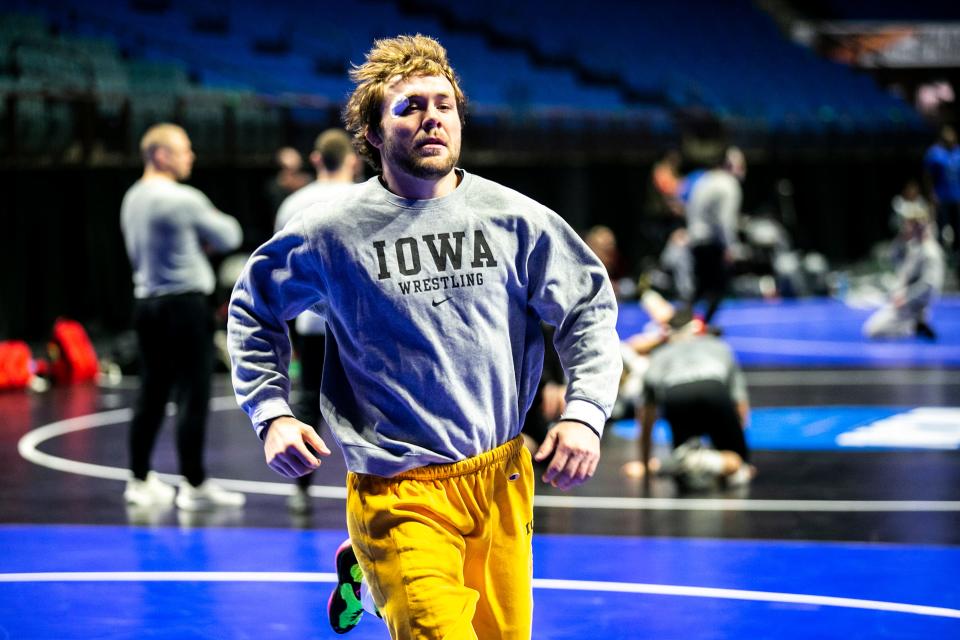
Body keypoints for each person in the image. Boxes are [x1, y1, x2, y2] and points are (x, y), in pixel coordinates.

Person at [227, 34, 621, 639]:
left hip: (500, 480)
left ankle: (362, 564)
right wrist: (271, 412)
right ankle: (376, 549)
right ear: (373, 132)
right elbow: (253, 307)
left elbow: (588, 306)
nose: (431, 117)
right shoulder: (333, 231)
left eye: (443, 104)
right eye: (409, 106)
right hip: (398, 487)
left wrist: (586, 410)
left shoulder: (515, 219)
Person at [120, 123, 246, 511]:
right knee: (194, 394)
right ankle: (194, 485)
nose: (191, 155)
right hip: (185, 307)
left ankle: (139, 479)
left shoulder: (132, 197)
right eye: (184, 149)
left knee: (153, 392)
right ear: (160, 154)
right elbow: (231, 235)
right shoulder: (181, 198)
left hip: (147, 304)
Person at [274, 128, 361, 513]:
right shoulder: (364, 199)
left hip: (311, 323)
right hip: (360, 326)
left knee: (308, 400)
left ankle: (300, 487)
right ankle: (380, 488)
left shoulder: (292, 204)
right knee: (372, 408)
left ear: (316, 159)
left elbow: (279, 270)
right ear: (352, 161)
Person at [624, 310, 753, 490]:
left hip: (676, 394)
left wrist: (644, 463)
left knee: (685, 478)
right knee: (738, 467)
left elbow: (646, 418)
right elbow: (740, 404)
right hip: (713, 389)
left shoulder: (660, 354)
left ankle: (686, 459)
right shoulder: (718, 345)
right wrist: (738, 444)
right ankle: (699, 461)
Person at [683, 146, 746, 323]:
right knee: (718, 288)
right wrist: (731, 247)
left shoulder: (704, 180)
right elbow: (726, 219)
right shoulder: (729, 184)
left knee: (699, 288)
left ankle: (683, 322)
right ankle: (702, 324)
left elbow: (690, 209)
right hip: (712, 242)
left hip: (696, 240)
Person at [863, 204, 944, 340]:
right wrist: (901, 237)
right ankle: (914, 325)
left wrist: (906, 298)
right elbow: (894, 258)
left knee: (872, 330)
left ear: (921, 225)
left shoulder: (930, 252)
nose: (908, 226)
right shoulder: (914, 246)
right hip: (905, 301)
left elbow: (929, 285)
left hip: (915, 306)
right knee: (872, 326)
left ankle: (914, 326)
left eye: (912, 223)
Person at [923, 125, 960, 276]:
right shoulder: (935, 153)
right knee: (941, 235)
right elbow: (927, 177)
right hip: (941, 199)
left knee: (958, 234)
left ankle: (958, 270)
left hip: (957, 199)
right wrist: (931, 195)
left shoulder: (958, 152)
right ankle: (939, 269)